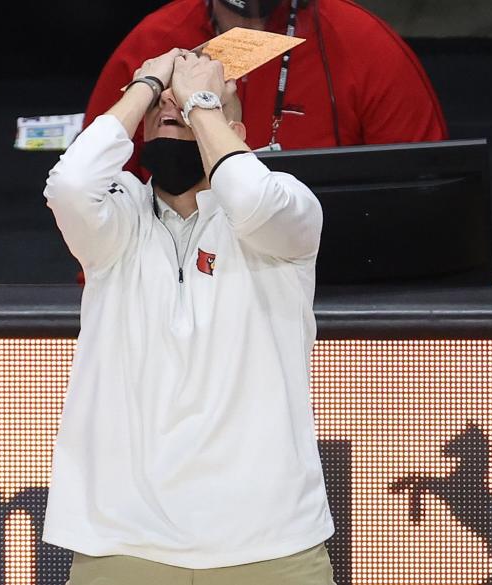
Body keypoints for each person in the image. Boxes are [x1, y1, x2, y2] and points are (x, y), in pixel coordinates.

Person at [42, 47, 335, 584]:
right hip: (122, 544)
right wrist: (144, 85)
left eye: (196, 103)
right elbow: (68, 185)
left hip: (270, 545)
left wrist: (200, 103)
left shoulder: (286, 209)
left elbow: (250, 197)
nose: (172, 106)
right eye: (161, 107)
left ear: (235, 131)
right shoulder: (116, 219)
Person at [84, 0, 448, 177]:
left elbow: (427, 192)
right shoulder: (151, 44)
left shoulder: (366, 47)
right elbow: (89, 185)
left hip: (326, 295)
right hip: (176, 292)